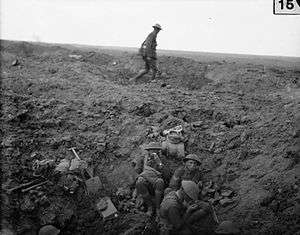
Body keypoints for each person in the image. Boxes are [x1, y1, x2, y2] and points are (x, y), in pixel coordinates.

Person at [134, 142, 166, 216]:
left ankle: (158, 208)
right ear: (148, 151)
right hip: (146, 182)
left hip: (157, 183)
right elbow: (137, 172)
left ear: (159, 151)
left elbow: (166, 175)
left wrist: (159, 163)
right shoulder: (143, 158)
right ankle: (150, 207)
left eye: (156, 150)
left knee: (160, 182)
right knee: (139, 182)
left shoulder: (162, 159)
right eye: (151, 150)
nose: (154, 152)